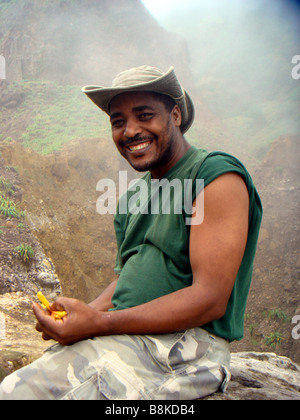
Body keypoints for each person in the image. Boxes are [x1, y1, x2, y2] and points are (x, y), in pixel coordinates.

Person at [0, 66, 262, 400]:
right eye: (118, 121)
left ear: (176, 114)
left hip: (188, 345)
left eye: (144, 115)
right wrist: (84, 314)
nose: (130, 131)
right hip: (131, 336)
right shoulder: (132, 198)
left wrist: (99, 324)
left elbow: (209, 299)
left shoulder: (214, 175)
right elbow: (128, 276)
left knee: (17, 392)